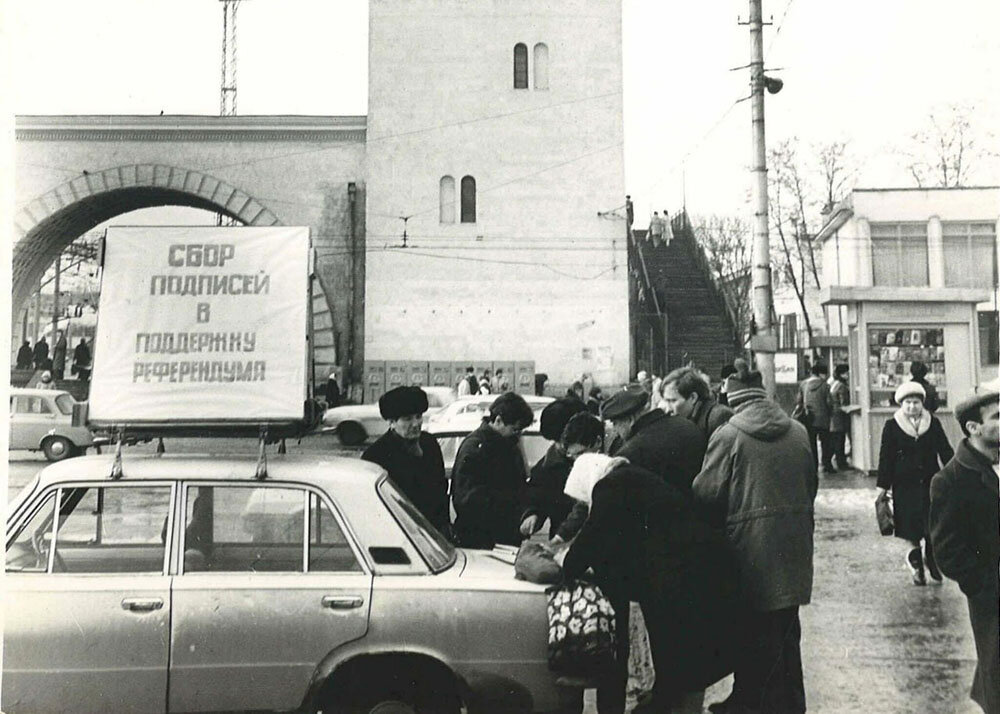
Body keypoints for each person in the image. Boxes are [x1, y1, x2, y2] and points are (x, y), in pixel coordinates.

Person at [561, 454, 739, 714]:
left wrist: (566, 563)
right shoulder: (633, 478)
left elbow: (593, 534)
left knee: (679, 655)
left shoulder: (608, 486)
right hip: (700, 568)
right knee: (685, 657)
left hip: (681, 576)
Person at [693, 365, 817, 714]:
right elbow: (811, 485)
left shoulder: (728, 434)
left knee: (751, 628)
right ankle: (790, 702)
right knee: (787, 628)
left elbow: (707, 493)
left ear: (733, 399)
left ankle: (751, 702)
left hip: (749, 546)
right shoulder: (798, 432)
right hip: (793, 544)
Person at [930, 386, 999, 714]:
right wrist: (986, 585)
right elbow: (947, 550)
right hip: (992, 596)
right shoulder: (951, 479)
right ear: (974, 428)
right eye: (997, 417)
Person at [877, 381, 954, 585]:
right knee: (910, 527)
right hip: (904, 485)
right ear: (901, 404)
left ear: (923, 403)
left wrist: (955, 472)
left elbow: (945, 450)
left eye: (916, 402)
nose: (912, 407)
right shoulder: (892, 426)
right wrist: (882, 487)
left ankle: (932, 559)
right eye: (908, 403)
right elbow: (886, 457)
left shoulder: (933, 423)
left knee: (933, 525)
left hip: (931, 482)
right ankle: (916, 566)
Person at [451, 392, 535, 549]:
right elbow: (466, 499)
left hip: (507, 536)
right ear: (498, 420)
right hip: (480, 538)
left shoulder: (509, 444)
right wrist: (509, 505)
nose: (518, 435)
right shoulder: (475, 448)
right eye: (515, 429)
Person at [362, 386, 450, 533]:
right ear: (391, 422)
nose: (416, 424)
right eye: (407, 418)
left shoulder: (430, 444)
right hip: (399, 534)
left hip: (434, 534)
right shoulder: (376, 455)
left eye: (418, 416)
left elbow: (441, 489)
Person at [602, 384, 706, 493]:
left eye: (615, 423)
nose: (614, 429)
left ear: (630, 420)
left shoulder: (629, 455)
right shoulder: (687, 425)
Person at [520, 407, 603, 540]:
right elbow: (537, 496)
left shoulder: (609, 461)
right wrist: (532, 513)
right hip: (563, 540)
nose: (560, 448)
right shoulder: (547, 467)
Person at [659, 366, 734, 442]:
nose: (668, 409)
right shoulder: (683, 420)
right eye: (666, 401)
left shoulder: (718, 417)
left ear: (693, 398)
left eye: (672, 401)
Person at [795, 361, 833, 471]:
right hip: (823, 419)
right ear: (821, 373)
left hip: (808, 418)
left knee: (812, 443)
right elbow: (829, 402)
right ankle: (827, 464)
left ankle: (813, 466)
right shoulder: (825, 386)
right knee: (825, 442)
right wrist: (829, 413)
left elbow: (799, 401)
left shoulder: (803, 384)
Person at [828, 364, 852, 471]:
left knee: (836, 440)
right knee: (840, 440)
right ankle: (841, 463)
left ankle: (834, 461)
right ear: (842, 374)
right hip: (840, 417)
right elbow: (844, 403)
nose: (848, 375)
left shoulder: (834, 384)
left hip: (833, 416)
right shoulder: (842, 386)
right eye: (846, 373)